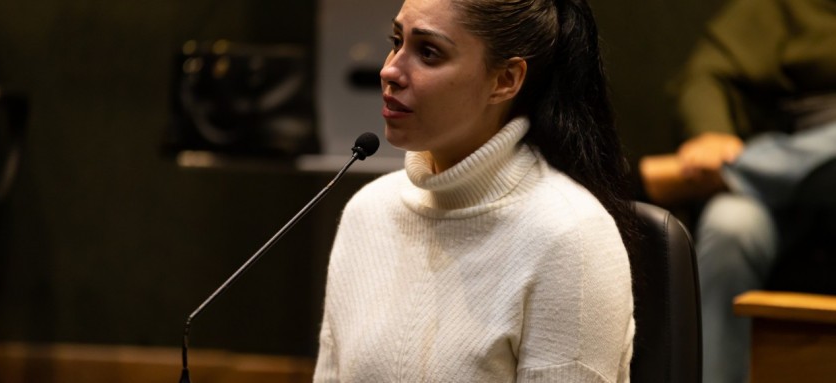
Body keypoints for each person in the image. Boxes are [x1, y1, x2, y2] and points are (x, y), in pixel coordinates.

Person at [313, 0, 638, 381]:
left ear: (505, 80)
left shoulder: (571, 237)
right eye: (396, 41)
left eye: (428, 52)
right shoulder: (367, 212)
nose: (389, 70)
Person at [638, 0, 836, 382]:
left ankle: (733, 171)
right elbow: (708, 71)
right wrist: (711, 132)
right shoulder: (792, 6)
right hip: (786, 186)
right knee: (730, 225)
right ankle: (747, 171)